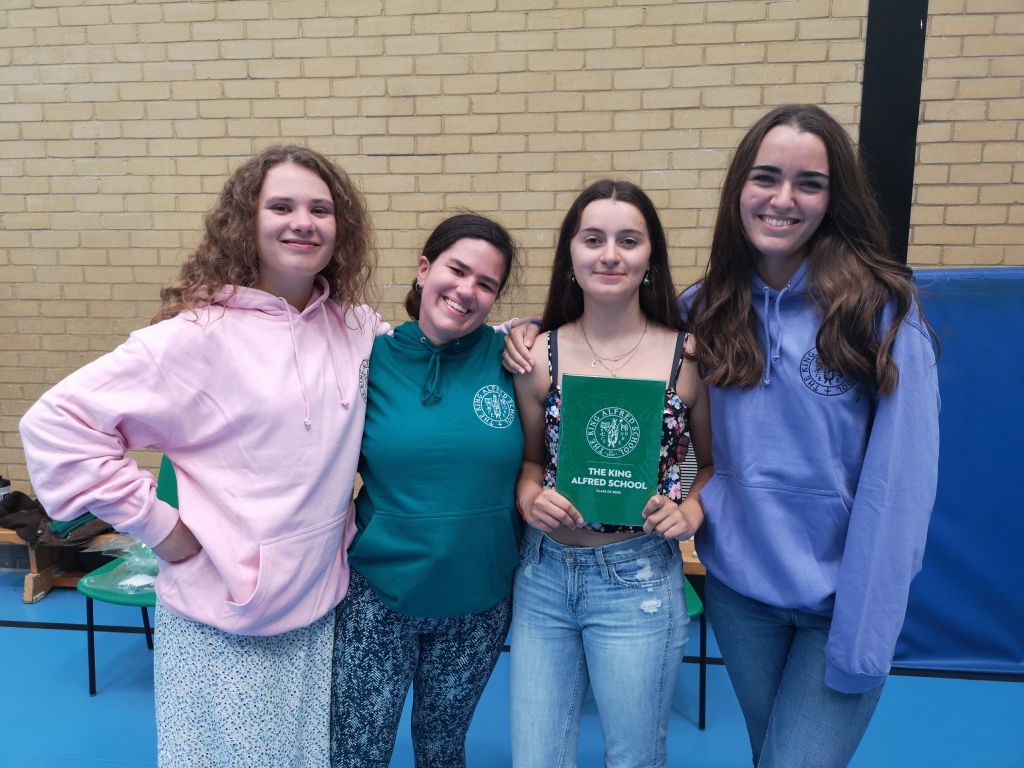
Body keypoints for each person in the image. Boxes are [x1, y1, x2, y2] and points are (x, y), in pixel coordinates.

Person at [20, 145, 383, 767]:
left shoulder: (356, 329)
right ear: (246, 221)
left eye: (320, 208)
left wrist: (522, 336)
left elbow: (437, 347)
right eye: (282, 206)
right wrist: (159, 528)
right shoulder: (194, 338)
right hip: (223, 615)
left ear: (339, 228)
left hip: (315, 609)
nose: (304, 220)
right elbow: (56, 424)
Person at [682, 104, 940, 767]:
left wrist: (864, 639)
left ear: (835, 198)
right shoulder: (704, 307)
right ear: (740, 186)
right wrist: (527, 334)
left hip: (839, 607)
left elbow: (901, 493)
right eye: (766, 177)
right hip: (741, 597)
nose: (783, 199)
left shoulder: (882, 313)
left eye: (810, 183)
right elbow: (606, 335)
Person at [508, 179, 713, 767]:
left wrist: (690, 511)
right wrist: (530, 498)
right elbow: (530, 465)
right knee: (536, 760)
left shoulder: (689, 356)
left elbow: (715, 467)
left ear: (650, 257)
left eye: (629, 240)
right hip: (544, 575)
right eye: (593, 239)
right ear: (571, 254)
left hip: (639, 579)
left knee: (633, 758)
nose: (610, 254)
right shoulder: (536, 354)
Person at [330, 214, 523, 768]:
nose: (467, 290)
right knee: (357, 755)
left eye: (485, 284)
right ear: (423, 270)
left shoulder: (516, 360)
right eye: (456, 270)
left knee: (443, 752)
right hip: (380, 597)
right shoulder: (370, 358)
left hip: (479, 603)